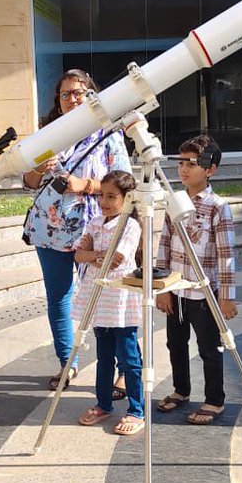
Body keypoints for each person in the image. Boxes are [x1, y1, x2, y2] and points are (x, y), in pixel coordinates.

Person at [22, 69, 132, 392]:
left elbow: (124, 182)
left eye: (79, 92)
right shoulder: (47, 134)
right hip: (49, 230)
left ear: (91, 95)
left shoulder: (107, 133)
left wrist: (83, 185)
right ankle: (66, 363)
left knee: (105, 297)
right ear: (57, 100)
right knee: (59, 298)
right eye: (66, 93)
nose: (73, 99)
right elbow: (28, 183)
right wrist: (37, 168)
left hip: (95, 229)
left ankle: (124, 369)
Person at [154, 135, 238, 425]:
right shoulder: (174, 202)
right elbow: (164, 244)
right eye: (181, 163)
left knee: (209, 349)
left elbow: (226, 255)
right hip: (176, 290)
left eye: (192, 163)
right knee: (175, 344)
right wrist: (161, 287)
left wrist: (226, 297)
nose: (184, 169)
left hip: (204, 294)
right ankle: (181, 390)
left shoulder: (218, 207)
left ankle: (215, 400)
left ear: (210, 169)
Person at [73, 171, 146, 436]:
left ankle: (137, 410)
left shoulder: (131, 226)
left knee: (128, 357)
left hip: (120, 300)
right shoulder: (94, 222)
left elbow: (116, 259)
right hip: (97, 296)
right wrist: (96, 255)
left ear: (126, 200)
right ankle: (103, 403)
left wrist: (94, 255)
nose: (104, 201)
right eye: (102, 195)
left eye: (111, 196)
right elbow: (79, 255)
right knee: (103, 356)